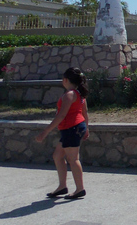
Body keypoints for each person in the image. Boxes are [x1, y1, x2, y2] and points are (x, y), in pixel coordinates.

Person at [36, 67, 90, 200]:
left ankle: (79, 189)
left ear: (65, 80)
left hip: (71, 129)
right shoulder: (79, 94)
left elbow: (61, 116)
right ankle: (62, 187)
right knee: (57, 156)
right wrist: (86, 128)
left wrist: (45, 132)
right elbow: (85, 113)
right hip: (76, 128)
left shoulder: (69, 95)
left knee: (73, 159)